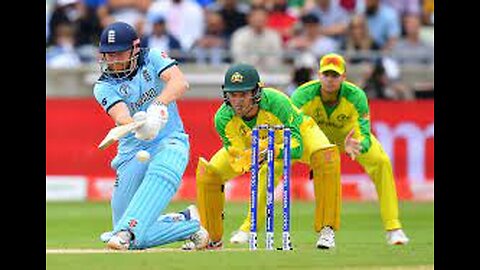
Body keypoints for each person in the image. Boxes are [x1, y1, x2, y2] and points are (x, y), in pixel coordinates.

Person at [184, 63, 342, 250]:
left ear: (256, 92)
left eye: (243, 94)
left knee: (326, 157)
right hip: (258, 146)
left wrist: (274, 151)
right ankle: (211, 237)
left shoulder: (277, 102)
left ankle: (327, 230)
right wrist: (250, 158)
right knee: (209, 173)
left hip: (298, 135)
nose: (238, 101)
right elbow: (236, 156)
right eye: (233, 95)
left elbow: (297, 148)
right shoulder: (223, 118)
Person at [93, 21, 209, 251]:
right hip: (131, 152)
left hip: (171, 140)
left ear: (135, 49)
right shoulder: (102, 86)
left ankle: (127, 232)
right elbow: (121, 116)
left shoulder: (153, 56)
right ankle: (186, 222)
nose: (113, 61)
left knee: (126, 233)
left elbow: (179, 82)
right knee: (134, 236)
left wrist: (158, 105)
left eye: (119, 54)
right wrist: (139, 124)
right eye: (108, 55)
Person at [291, 53, 409, 245]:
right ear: (318, 76)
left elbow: (364, 132)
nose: (330, 80)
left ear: (343, 77)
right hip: (316, 142)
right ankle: (250, 226)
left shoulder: (356, 96)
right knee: (276, 159)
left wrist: (359, 145)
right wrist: (308, 151)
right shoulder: (302, 95)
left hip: (350, 140)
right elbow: (293, 128)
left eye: (335, 75)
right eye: (326, 75)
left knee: (381, 162)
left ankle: (394, 228)